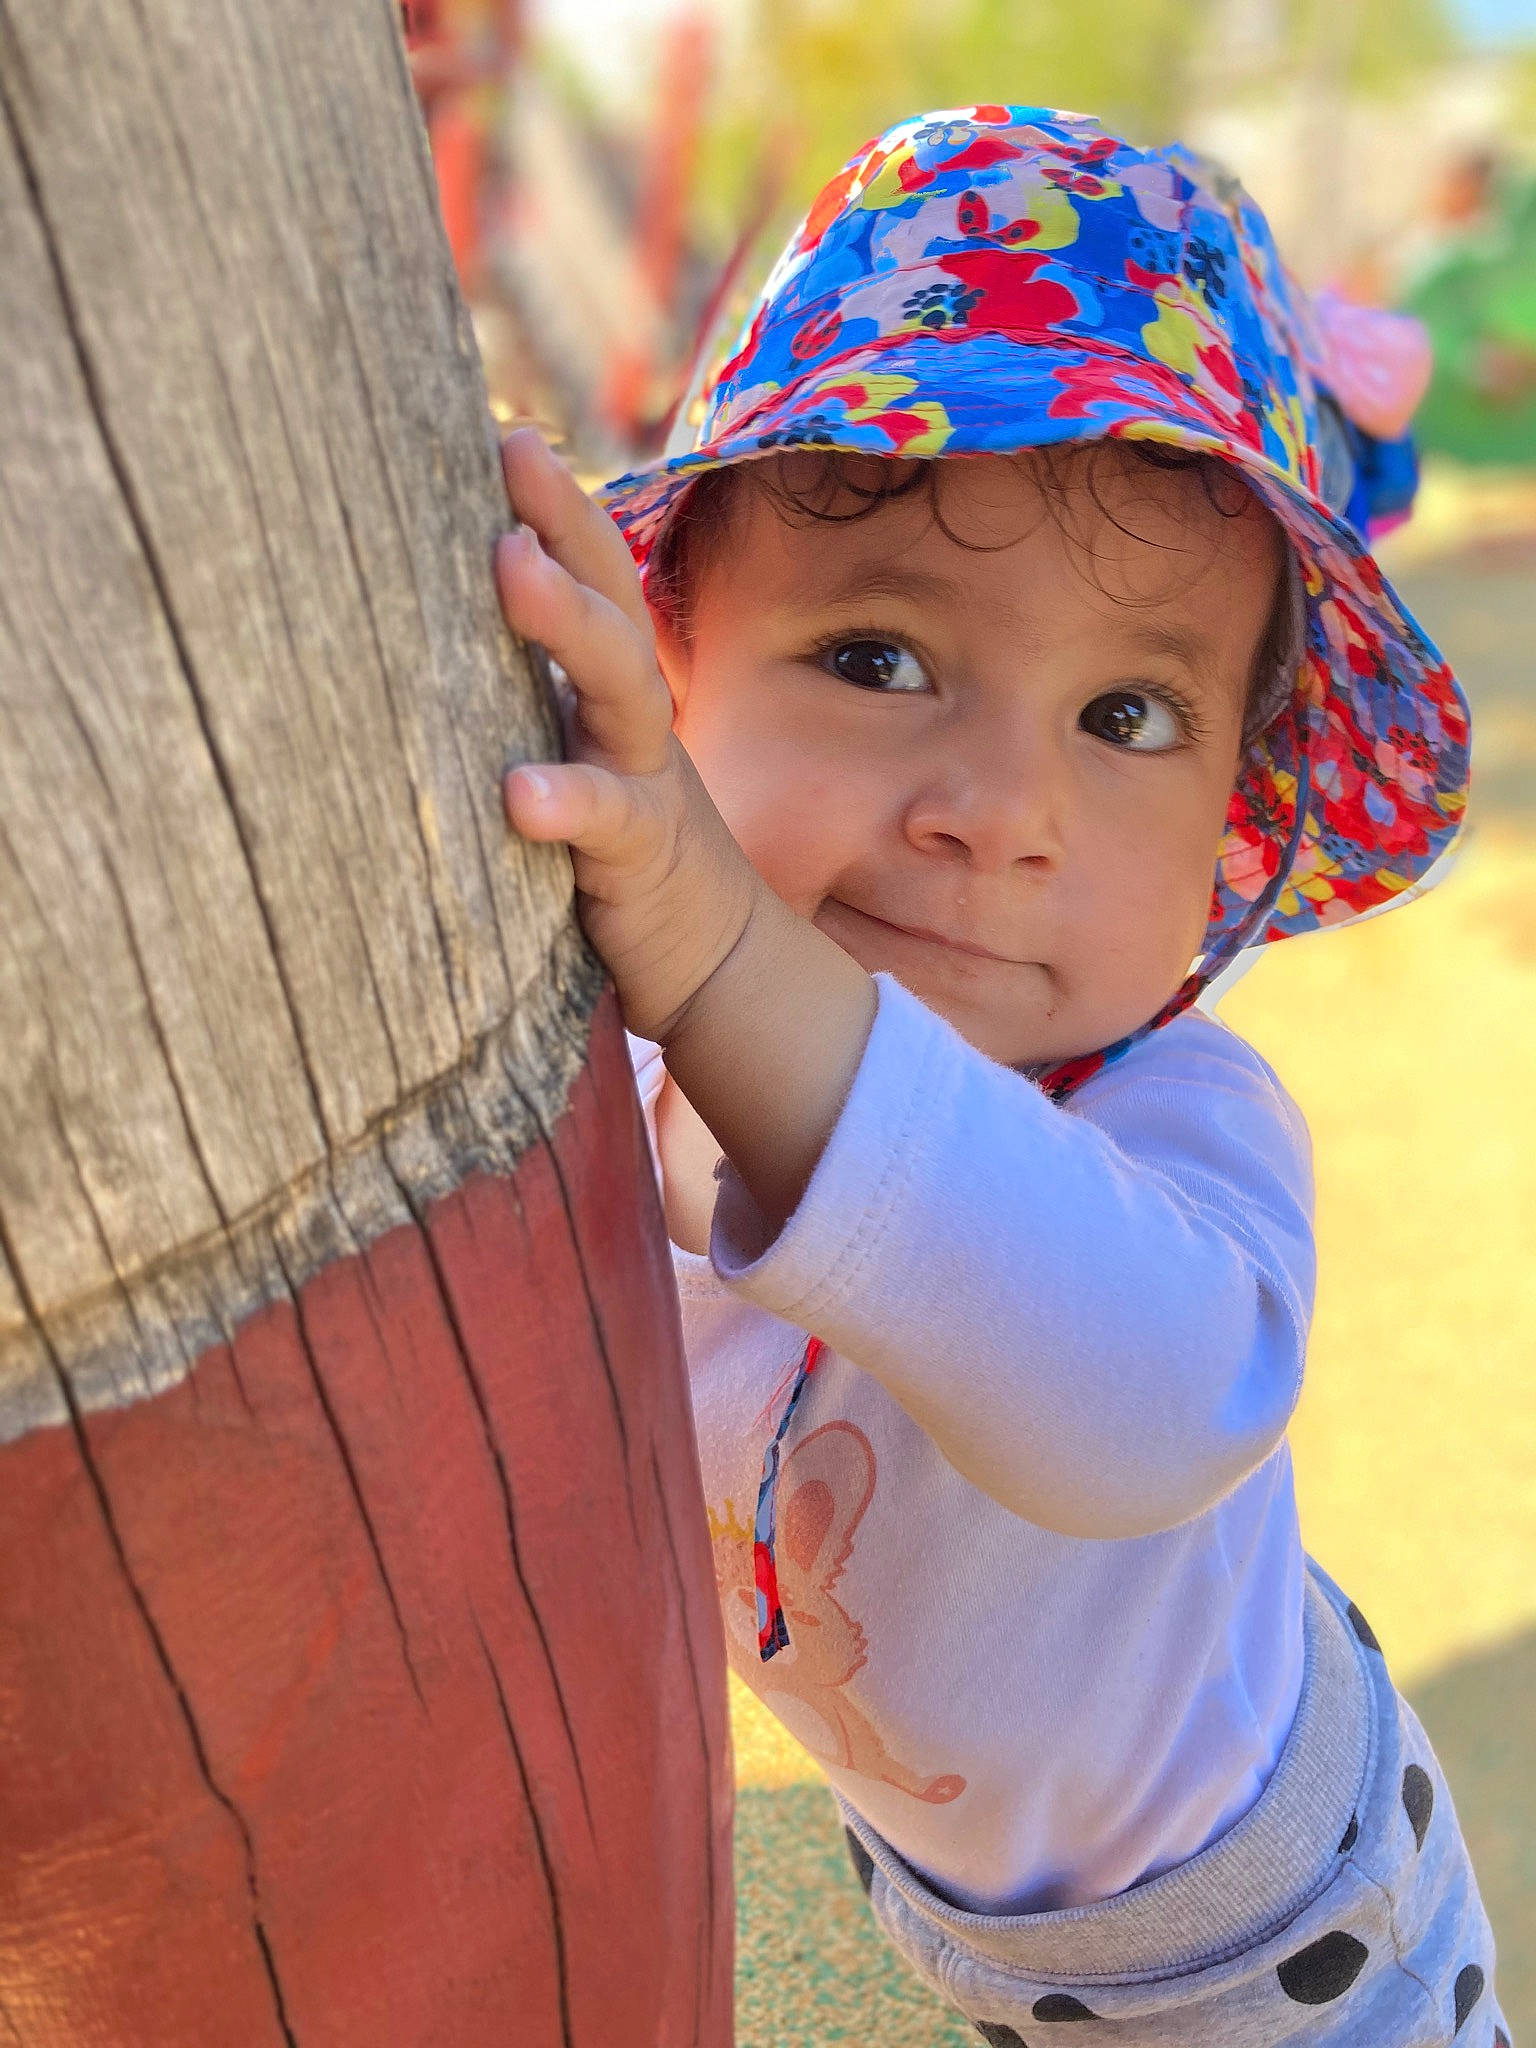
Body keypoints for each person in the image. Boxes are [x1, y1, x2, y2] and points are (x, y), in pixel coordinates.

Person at [495, 108, 1504, 2046]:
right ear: (674, 674)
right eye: (878, 660)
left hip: (1297, 1946)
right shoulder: (600, 1060)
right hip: (975, 1920)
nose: (1002, 811)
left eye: (1128, 713)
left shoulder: (1171, 1117)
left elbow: (1144, 1405)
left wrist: (724, 942)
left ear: (1234, 813)